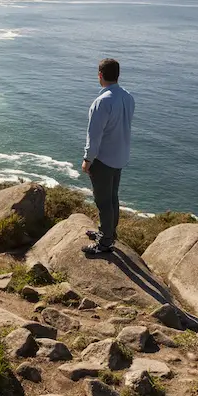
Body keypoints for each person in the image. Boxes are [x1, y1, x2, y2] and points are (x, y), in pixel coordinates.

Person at [81, 58, 135, 255]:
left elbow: (94, 135)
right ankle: (108, 233)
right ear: (117, 75)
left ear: (100, 75)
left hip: (103, 159)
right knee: (112, 198)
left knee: (103, 201)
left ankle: (105, 243)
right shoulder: (128, 97)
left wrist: (88, 160)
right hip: (120, 156)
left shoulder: (102, 102)